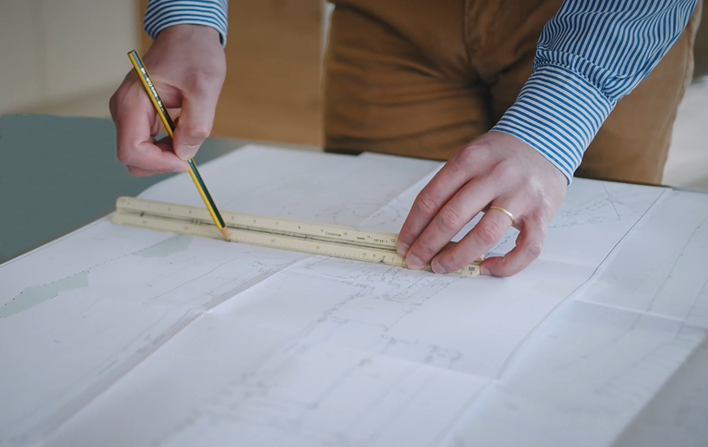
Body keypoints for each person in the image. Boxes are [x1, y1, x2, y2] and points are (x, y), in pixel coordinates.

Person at [110, 0, 702, 277]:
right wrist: (187, 18)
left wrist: (559, 115)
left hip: (604, 16)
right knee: (390, 254)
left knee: (569, 266)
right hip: (392, 18)